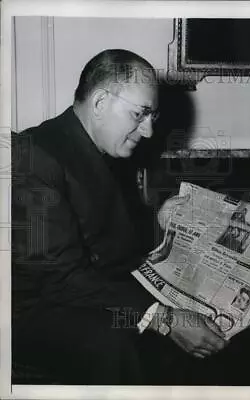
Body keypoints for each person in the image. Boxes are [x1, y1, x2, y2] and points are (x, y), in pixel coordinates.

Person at [12, 49, 227, 385]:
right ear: (99, 103)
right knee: (117, 342)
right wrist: (164, 319)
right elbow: (61, 279)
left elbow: (110, 236)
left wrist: (160, 219)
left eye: (152, 117)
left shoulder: (103, 147)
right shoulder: (34, 157)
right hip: (37, 309)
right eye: (139, 115)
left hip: (88, 290)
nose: (149, 132)